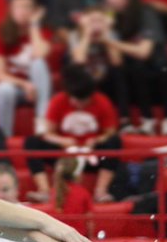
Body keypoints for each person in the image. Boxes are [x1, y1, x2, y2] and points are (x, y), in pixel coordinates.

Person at [26, 65, 122, 203]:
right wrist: (62, 141)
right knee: (32, 142)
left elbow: (110, 132)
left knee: (115, 142)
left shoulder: (102, 101)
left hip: (91, 154)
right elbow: (47, 133)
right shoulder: (58, 100)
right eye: (76, 100)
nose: (79, 105)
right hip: (64, 155)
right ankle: (44, 190)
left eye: (83, 101)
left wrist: (96, 140)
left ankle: (101, 191)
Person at [101, 0, 167, 135]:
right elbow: (116, 59)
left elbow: (145, 52)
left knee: (166, 67)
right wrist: (108, 27)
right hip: (132, 76)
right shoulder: (111, 17)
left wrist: (109, 41)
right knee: (124, 69)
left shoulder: (145, 13)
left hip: (156, 70)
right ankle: (143, 120)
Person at [0, 0, 52, 136]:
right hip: (12, 87)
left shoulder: (43, 32)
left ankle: (41, 120)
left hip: (37, 89)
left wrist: (34, 25)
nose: (23, 11)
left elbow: (41, 53)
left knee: (38, 63)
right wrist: (24, 84)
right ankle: (4, 138)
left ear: (35, 11)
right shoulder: (0, 34)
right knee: (5, 90)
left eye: (27, 7)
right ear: (11, 11)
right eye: (18, 7)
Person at [51, 156, 93, 234]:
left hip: (59, 235)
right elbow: (89, 221)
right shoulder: (83, 192)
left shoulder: (55, 191)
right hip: (79, 237)